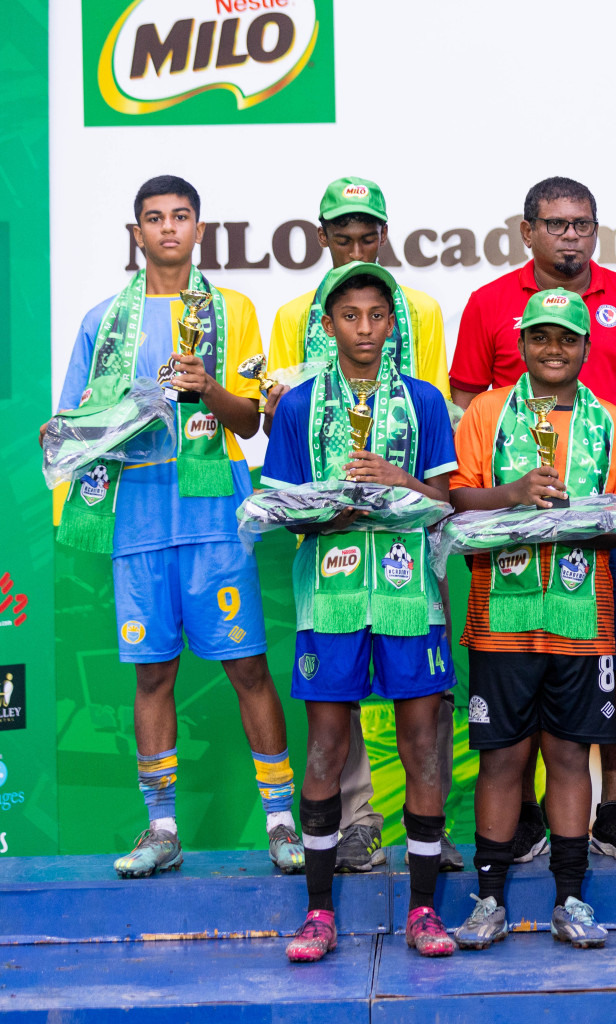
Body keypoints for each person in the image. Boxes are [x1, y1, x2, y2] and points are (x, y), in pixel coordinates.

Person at [52, 175, 299, 878]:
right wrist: (74, 432)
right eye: (153, 219)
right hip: (137, 514)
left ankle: (280, 822)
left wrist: (205, 387)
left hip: (213, 506)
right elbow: (75, 428)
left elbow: (251, 420)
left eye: (180, 216)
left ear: (198, 228)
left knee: (246, 665)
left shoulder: (233, 309)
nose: (167, 229)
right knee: (152, 674)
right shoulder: (105, 320)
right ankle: (161, 828)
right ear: (136, 234)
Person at [451, 176, 616, 864]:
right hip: (513, 551)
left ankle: (609, 812)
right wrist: (505, 496)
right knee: (517, 680)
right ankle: (520, 817)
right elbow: (466, 412)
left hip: (608, 528)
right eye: (555, 223)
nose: (570, 235)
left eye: (582, 223)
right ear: (528, 231)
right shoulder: (489, 304)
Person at [262, 263, 460, 962]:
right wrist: (330, 510)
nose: (366, 330)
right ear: (329, 325)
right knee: (325, 747)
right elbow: (282, 508)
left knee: (424, 747)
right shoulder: (297, 406)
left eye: (379, 316)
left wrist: (399, 483)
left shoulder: (427, 402)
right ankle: (318, 913)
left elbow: (442, 502)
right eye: (351, 317)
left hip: (410, 597)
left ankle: (425, 911)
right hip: (331, 595)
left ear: (393, 324)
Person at [450, 289, 616, 951]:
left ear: (586, 348)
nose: (553, 349)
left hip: (580, 620)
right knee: (502, 762)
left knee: (567, 757)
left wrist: (586, 522)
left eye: (566, 338)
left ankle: (570, 900)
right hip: (498, 620)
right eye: (541, 337)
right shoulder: (486, 411)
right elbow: (458, 503)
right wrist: (514, 498)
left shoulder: (613, 423)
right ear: (522, 344)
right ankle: (489, 901)